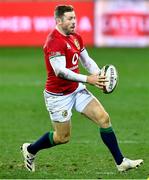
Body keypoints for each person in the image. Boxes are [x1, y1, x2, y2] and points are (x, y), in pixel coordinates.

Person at [21, 5, 143, 172]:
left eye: (75, 18)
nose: (74, 22)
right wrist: (88, 79)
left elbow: (86, 60)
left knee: (103, 118)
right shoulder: (53, 42)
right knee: (62, 137)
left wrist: (99, 75)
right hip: (58, 96)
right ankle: (30, 150)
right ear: (59, 21)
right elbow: (60, 72)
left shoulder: (75, 37)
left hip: (76, 89)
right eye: (70, 19)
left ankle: (120, 162)